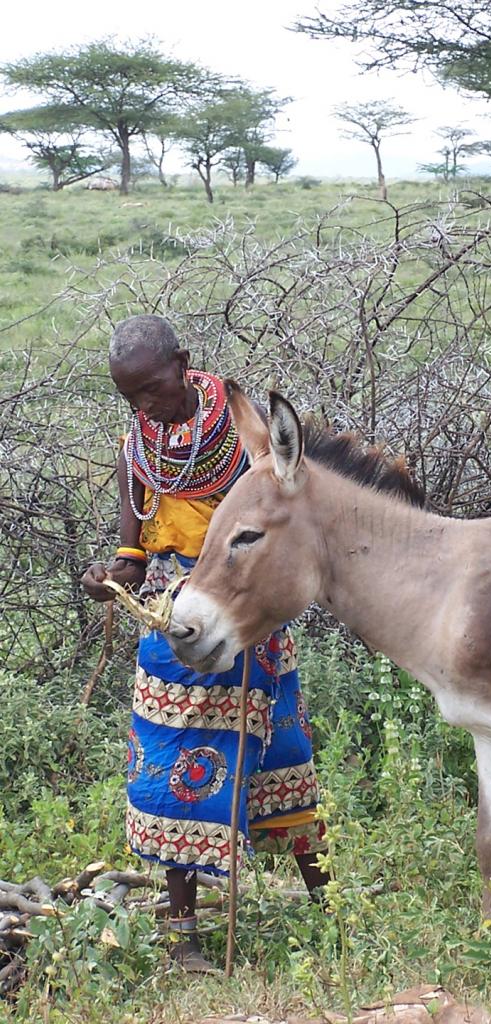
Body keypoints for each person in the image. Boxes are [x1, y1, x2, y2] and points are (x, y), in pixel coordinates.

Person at [81, 315, 329, 973]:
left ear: (182, 363)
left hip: (243, 606)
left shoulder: (241, 431)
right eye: (130, 398)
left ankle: (328, 909)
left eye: (151, 390)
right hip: (171, 613)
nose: (144, 406)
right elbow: (133, 552)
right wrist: (112, 577)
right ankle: (183, 937)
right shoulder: (138, 443)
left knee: (284, 757)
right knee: (168, 764)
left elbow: (271, 524)